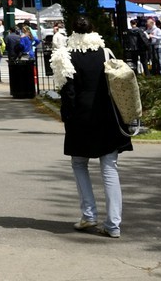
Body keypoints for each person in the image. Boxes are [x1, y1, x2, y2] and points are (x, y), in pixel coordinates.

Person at [51, 15, 132, 238]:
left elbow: (68, 92)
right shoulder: (106, 52)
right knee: (109, 167)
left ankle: (89, 215)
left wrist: (67, 116)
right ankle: (114, 223)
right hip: (107, 115)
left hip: (81, 116)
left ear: (72, 32)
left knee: (79, 163)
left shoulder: (65, 55)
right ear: (93, 29)